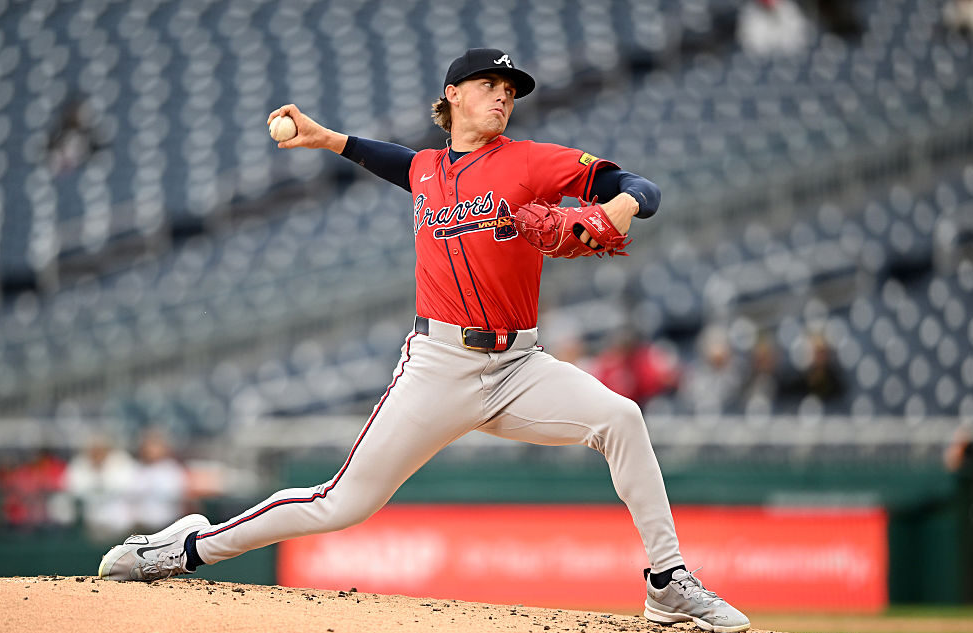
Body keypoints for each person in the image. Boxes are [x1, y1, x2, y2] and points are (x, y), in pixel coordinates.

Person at [98, 48, 749, 632]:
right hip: (438, 366)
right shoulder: (429, 171)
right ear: (454, 95)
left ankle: (668, 582)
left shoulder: (529, 161)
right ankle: (181, 548)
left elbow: (641, 187)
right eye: (490, 83)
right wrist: (331, 139)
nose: (503, 95)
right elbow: (402, 164)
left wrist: (618, 209)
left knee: (621, 417)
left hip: (521, 364)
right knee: (339, 503)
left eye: (511, 88)